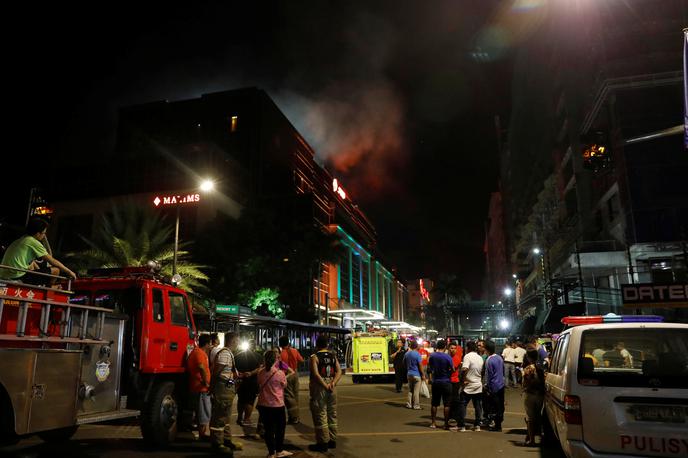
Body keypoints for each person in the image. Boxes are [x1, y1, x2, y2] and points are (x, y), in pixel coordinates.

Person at [0, 218, 77, 285]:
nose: (44, 236)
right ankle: (49, 289)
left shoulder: (21, 240)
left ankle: (40, 285)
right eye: (44, 233)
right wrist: (69, 272)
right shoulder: (33, 242)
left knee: (32, 264)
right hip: (17, 276)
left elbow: (33, 264)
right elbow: (52, 261)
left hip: (5, 274)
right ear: (38, 233)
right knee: (56, 271)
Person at [256, 349, 294, 458]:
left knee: (268, 429)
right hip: (277, 405)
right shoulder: (280, 373)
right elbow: (284, 385)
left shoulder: (260, 372)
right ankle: (279, 451)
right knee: (280, 429)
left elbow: (259, 383)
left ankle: (271, 453)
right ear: (275, 360)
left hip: (264, 405)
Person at [308, 335, 342, 453]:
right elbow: (339, 371)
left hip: (320, 386)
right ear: (327, 344)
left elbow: (316, 374)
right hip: (332, 386)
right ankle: (332, 440)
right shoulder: (333, 356)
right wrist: (333, 382)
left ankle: (322, 443)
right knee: (332, 413)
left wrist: (324, 384)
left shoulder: (315, 357)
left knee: (320, 413)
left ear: (317, 345)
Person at [209, 332, 241, 454]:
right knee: (219, 416)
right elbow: (217, 372)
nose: (238, 344)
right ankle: (217, 444)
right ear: (233, 341)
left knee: (226, 417)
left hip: (227, 388)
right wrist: (212, 388)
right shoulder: (225, 354)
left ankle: (226, 440)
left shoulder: (228, 354)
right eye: (237, 341)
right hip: (223, 389)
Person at [188, 333, 212, 440]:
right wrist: (206, 382)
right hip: (201, 387)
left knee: (201, 411)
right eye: (210, 343)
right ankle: (202, 434)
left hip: (198, 386)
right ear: (206, 344)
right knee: (204, 411)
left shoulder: (197, 352)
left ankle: (202, 433)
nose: (211, 346)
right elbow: (201, 367)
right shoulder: (199, 353)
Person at [521, 344, 546, 446]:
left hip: (530, 394)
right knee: (537, 415)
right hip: (539, 395)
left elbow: (525, 383)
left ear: (528, 357)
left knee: (530, 418)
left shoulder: (528, 369)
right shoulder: (540, 368)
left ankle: (532, 440)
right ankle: (538, 436)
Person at [235, 339, 263, 427]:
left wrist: (240, 374)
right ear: (255, 346)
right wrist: (251, 373)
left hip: (240, 381)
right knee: (250, 401)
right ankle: (247, 419)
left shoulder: (238, 356)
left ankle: (239, 418)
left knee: (241, 399)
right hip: (253, 381)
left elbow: (234, 368)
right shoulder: (259, 356)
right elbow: (260, 368)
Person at [427, 339, 454, 430]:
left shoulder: (432, 356)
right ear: (445, 347)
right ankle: (446, 424)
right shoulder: (447, 357)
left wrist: (431, 378)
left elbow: (429, 368)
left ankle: (433, 423)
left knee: (434, 403)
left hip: (436, 381)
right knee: (446, 404)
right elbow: (453, 369)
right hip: (446, 381)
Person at [458, 340, 484, 432]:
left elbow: (464, 369)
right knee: (477, 406)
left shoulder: (467, 356)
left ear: (467, 348)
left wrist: (462, 380)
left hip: (468, 385)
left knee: (463, 404)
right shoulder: (480, 358)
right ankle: (477, 425)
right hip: (478, 384)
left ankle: (462, 426)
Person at [279, 335, 305, 424]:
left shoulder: (281, 353)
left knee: (288, 397)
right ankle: (295, 416)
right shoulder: (294, 350)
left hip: (287, 375)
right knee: (295, 395)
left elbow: (280, 364)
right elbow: (301, 360)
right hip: (295, 374)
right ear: (288, 342)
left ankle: (294, 417)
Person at [483, 340, 505, 431]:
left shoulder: (489, 360)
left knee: (494, 406)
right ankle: (499, 423)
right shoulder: (499, 358)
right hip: (501, 385)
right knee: (500, 406)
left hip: (494, 386)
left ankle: (497, 425)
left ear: (487, 349)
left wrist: (486, 385)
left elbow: (488, 375)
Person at [404, 340, 426, 410]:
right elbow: (420, 365)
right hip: (416, 374)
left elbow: (403, 363)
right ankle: (416, 405)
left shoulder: (407, 354)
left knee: (410, 390)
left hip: (409, 374)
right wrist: (423, 374)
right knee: (416, 391)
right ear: (416, 346)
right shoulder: (417, 354)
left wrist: (408, 368)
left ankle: (409, 404)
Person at [448, 341, 463, 425]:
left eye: (454, 348)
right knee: (449, 400)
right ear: (448, 349)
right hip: (448, 381)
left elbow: (452, 369)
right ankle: (450, 416)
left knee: (455, 400)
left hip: (455, 381)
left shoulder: (456, 358)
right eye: (451, 348)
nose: (453, 350)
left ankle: (454, 417)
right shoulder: (447, 357)